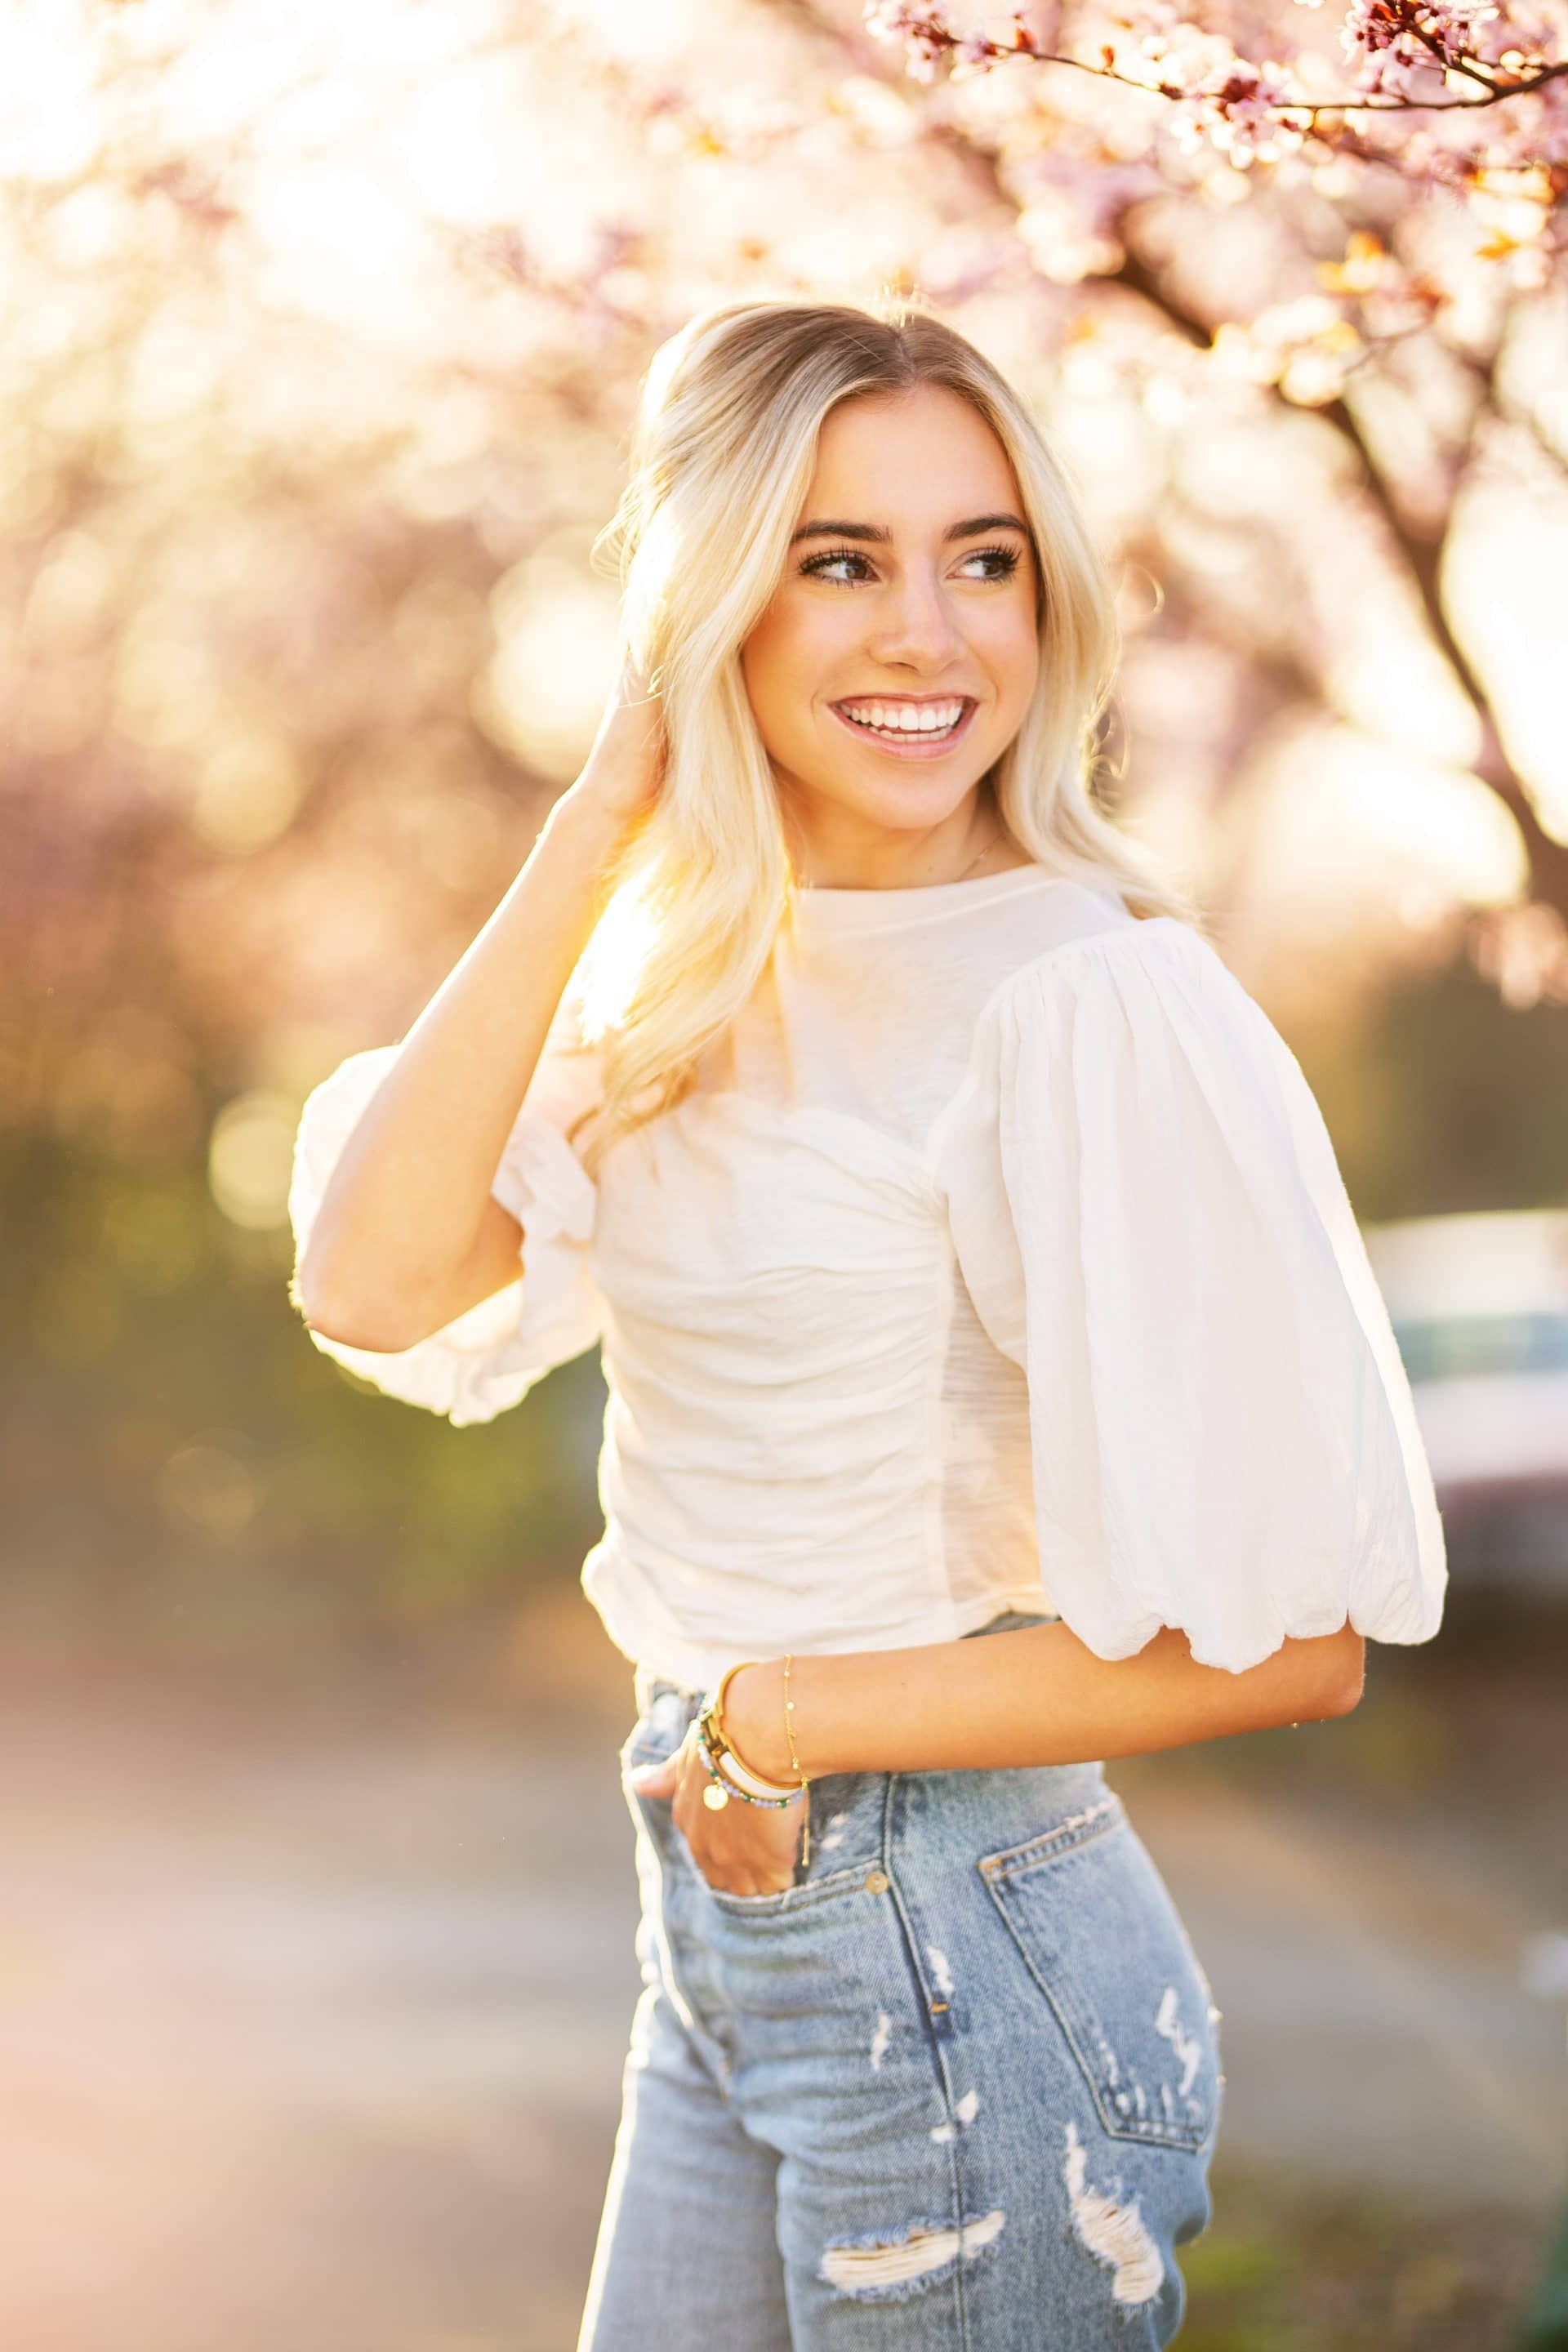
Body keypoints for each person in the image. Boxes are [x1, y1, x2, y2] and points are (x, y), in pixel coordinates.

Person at [287, 296, 1447, 2350]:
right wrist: (605, 813)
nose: (929, 634)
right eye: (839, 561)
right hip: (729, 1932)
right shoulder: (687, 971)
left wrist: (781, 1716)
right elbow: (374, 1280)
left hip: (956, 1944)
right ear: (709, 601)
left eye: (980, 558)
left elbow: (1292, 1644)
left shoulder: (1088, 991)